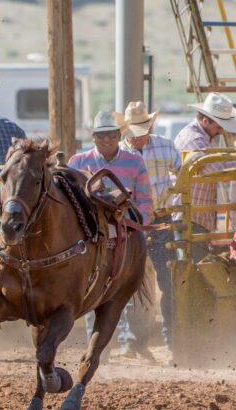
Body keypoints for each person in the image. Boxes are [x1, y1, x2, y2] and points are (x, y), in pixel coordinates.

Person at [69, 110, 154, 359]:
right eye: (101, 135)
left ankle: (131, 344)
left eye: (111, 135)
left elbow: (145, 199)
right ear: (93, 137)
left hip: (126, 235)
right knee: (91, 287)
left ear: (119, 135)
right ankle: (97, 350)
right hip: (93, 237)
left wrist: (141, 227)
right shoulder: (77, 162)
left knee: (128, 287)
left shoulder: (135, 161)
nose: (106, 140)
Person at [120, 101, 181, 349]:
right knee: (127, 283)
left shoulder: (165, 146)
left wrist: (171, 200)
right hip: (131, 223)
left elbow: (182, 176)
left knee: (166, 281)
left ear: (149, 126)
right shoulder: (121, 155)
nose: (136, 135)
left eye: (141, 129)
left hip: (160, 220)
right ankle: (132, 342)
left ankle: (170, 339)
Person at [174, 92, 236, 243]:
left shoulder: (203, 137)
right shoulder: (193, 139)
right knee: (192, 259)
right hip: (190, 216)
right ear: (205, 121)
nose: (221, 131)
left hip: (196, 215)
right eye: (219, 126)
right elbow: (214, 170)